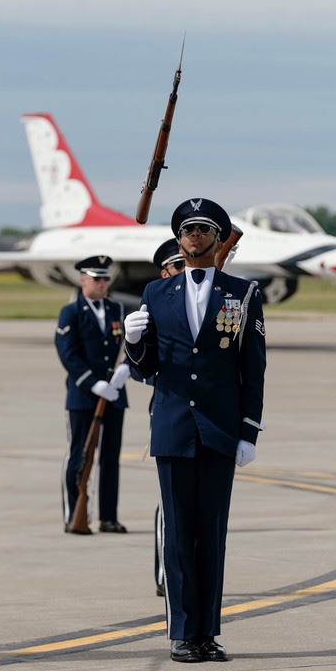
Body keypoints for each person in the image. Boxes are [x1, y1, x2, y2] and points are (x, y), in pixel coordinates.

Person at [124, 198, 266, 663]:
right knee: (179, 535)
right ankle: (182, 634)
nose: (195, 237)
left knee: (212, 532)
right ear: (179, 240)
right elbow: (149, 369)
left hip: (221, 428)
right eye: (188, 230)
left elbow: (253, 367)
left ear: (218, 239)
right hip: (172, 426)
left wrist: (248, 430)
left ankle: (207, 632)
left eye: (205, 230)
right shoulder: (154, 294)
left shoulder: (242, 293)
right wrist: (132, 343)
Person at [55, 256, 131, 534]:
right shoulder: (71, 312)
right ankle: (75, 514)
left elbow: (132, 345)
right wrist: (93, 383)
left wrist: (124, 371)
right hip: (84, 396)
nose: (102, 284)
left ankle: (108, 517)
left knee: (110, 459)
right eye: (96, 279)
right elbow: (68, 353)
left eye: (105, 279)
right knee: (79, 455)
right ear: (83, 280)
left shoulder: (117, 309)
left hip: (113, 396)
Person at [147, 238, 186, 597]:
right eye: (176, 266)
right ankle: (164, 571)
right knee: (169, 500)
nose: (183, 271)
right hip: (170, 410)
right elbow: (144, 363)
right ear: (164, 273)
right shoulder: (157, 303)